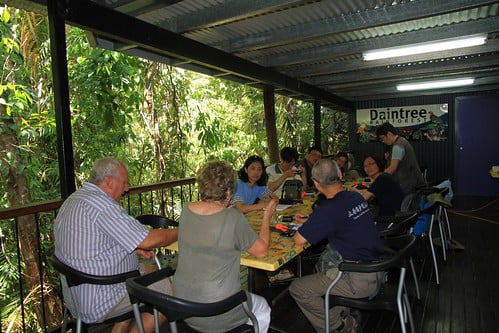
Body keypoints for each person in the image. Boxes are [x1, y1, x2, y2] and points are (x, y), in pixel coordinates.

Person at [53, 157, 178, 333]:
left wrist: (135, 247)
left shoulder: (74, 199)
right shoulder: (101, 206)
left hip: (77, 296)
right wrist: (183, 229)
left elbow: (94, 241)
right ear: (110, 182)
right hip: (101, 298)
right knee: (169, 290)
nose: (127, 189)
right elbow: (150, 240)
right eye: (125, 183)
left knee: (148, 271)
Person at [172, 161, 276, 333]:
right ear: (228, 191)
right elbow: (262, 250)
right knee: (263, 308)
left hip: (183, 304)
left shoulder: (187, 209)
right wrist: (267, 217)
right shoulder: (233, 218)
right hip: (218, 310)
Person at [289, 159, 383, 333]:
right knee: (321, 268)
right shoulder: (354, 196)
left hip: (358, 280)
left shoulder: (328, 210)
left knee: (298, 288)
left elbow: (299, 239)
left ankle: (340, 326)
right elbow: (342, 220)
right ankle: (343, 312)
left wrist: (312, 223)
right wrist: (312, 221)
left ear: (316, 184)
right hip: (378, 269)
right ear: (340, 174)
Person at [376, 122, 425, 195]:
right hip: (411, 185)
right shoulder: (401, 141)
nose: (383, 141)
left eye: (382, 138)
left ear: (389, 134)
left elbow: (392, 168)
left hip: (408, 188)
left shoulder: (398, 146)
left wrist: (378, 179)